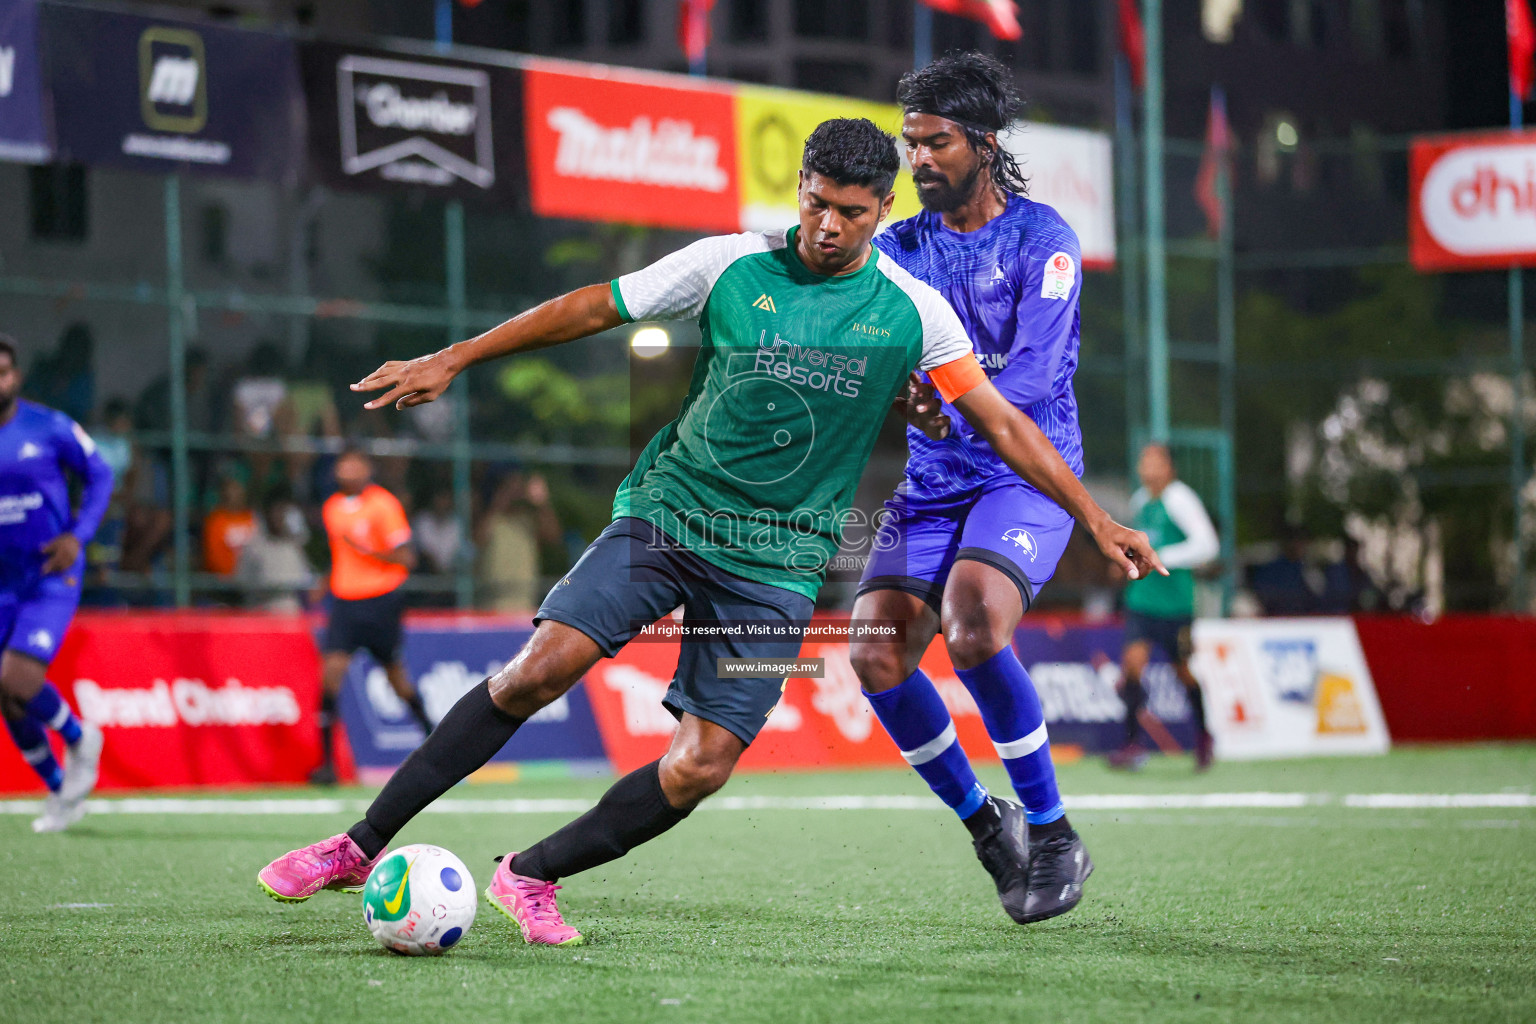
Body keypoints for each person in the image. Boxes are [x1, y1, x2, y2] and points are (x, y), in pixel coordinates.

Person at [257, 119, 1162, 943]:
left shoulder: (914, 312)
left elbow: (1003, 422)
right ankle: (360, 844)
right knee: (541, 667)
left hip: (780, 568)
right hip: (670, 516)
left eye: (851, 213)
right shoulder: (731, 263)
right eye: (816, 204)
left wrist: (1093, 516)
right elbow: (592, 306)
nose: (828, 227)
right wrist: (452, 357)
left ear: (882, 210)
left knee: (699, 767)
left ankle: (530, 877)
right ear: (800, 189)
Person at [846, 53, 1100, 924]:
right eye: (909, 145)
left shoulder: (1044, 241)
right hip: (934, 484)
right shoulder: (898, 249)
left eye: (934, 143)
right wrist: (894, 389)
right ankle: (987, 828)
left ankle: (1055, 831)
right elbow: (867, 353)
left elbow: (1025, 384)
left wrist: (940, 401)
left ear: (984, 144)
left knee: (974, 620)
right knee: (875, 653)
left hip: (1025, 472)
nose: (917, 161)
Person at [0, 333, 111, 832]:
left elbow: (100, 474)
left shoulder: (47, 426)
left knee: (16, 680)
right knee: (7, 696)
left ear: (16, 376)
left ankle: (80, 736)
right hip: (3, 581)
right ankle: (58, 792)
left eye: (3, 371)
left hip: (50, 574)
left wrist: (79, 536)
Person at [310, 447, 432, 785]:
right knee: (330, 674)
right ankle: (327, 765)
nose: (348, 468)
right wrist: (325, 582)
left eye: (355, 462)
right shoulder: (332, 507)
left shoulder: (384, 505)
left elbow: (407, 559)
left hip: (381, 601)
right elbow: (341, 556)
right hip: (346, 603)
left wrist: (371, 552)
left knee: (396, 680)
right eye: (342, 463)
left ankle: (434, 740)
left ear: (367, 467)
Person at [1109, 443, 1220, 772]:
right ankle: (1132, 745)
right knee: (1132, 666)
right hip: (1142, 601)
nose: (1148, 468)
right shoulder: (1140, 501)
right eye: (1144, 462)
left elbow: (1208, 546)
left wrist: (1162, 557)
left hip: (1176, 605)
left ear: (1169, 468)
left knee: (1183, 672)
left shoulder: (1180, 499)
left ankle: (1203, 737)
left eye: (1155, 462)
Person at [476, 470, 561, 611]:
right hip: (490, 605)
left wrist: (542, 503)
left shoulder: (529, 520)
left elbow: (554, 538)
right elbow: (477, 540)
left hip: (525, 604)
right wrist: (502, 499)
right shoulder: (492, 519)